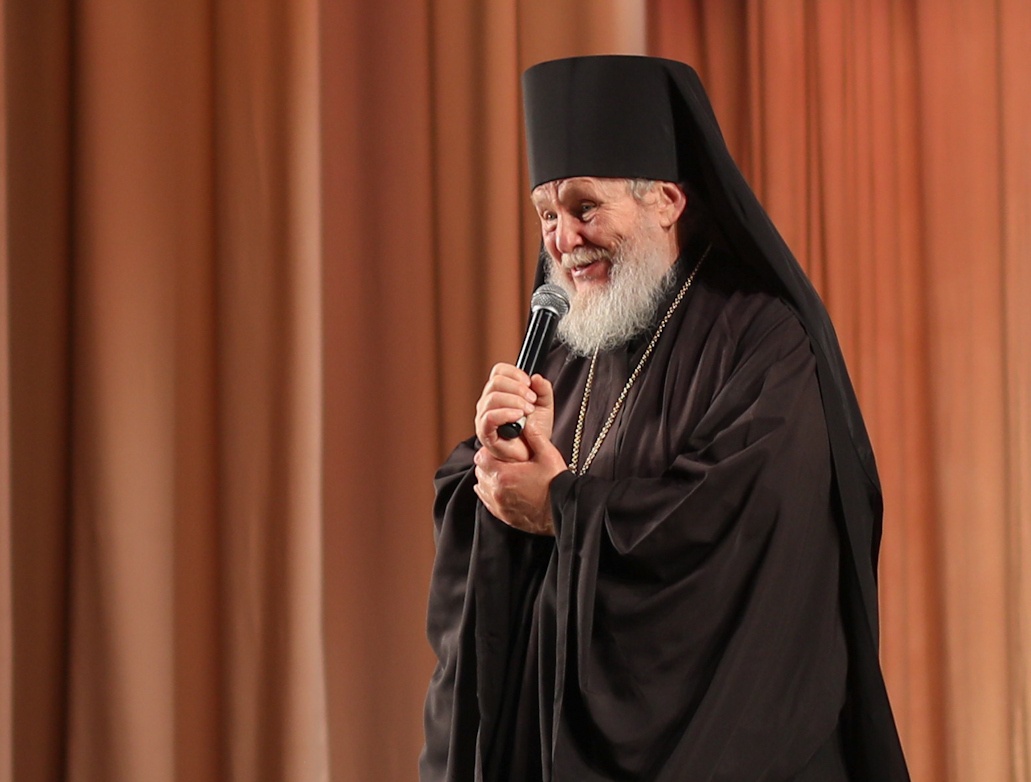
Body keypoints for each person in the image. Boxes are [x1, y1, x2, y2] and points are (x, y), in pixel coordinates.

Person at [421, 55, 910, 781]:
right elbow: (493, 506)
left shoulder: (763, 339)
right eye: (547, 214)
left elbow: (739, 525)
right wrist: (496, 470)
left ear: (668, 202)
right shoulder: (568, 345)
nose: (562, 240)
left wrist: (560, 508)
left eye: (585, 208)